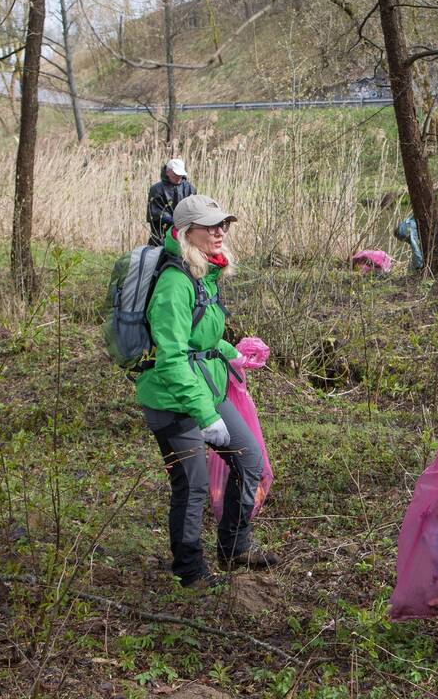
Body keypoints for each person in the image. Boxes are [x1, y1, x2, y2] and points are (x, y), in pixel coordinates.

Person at [138, 194, 279, 589]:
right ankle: (190, 571)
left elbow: (202, 338)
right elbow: (171, 360)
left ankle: (234, 546)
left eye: (223, 225)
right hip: (171, 398)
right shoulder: (173, 284)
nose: (220, 232)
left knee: (249, 461)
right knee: (193, 483)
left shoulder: (205, 274)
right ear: (186, 234)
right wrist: (206, 415)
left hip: (207, 386)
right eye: (210, 226)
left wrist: (234, 353)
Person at [147, 158, 196, 247]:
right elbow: (155, 213)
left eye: (180, 174)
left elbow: (194, 210)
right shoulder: (156, 189)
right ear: (167, 172)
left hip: (185, 231)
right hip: (162, 233)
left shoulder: (190, 188)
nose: (178, 177)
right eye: (175, 174)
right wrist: (175, 221)